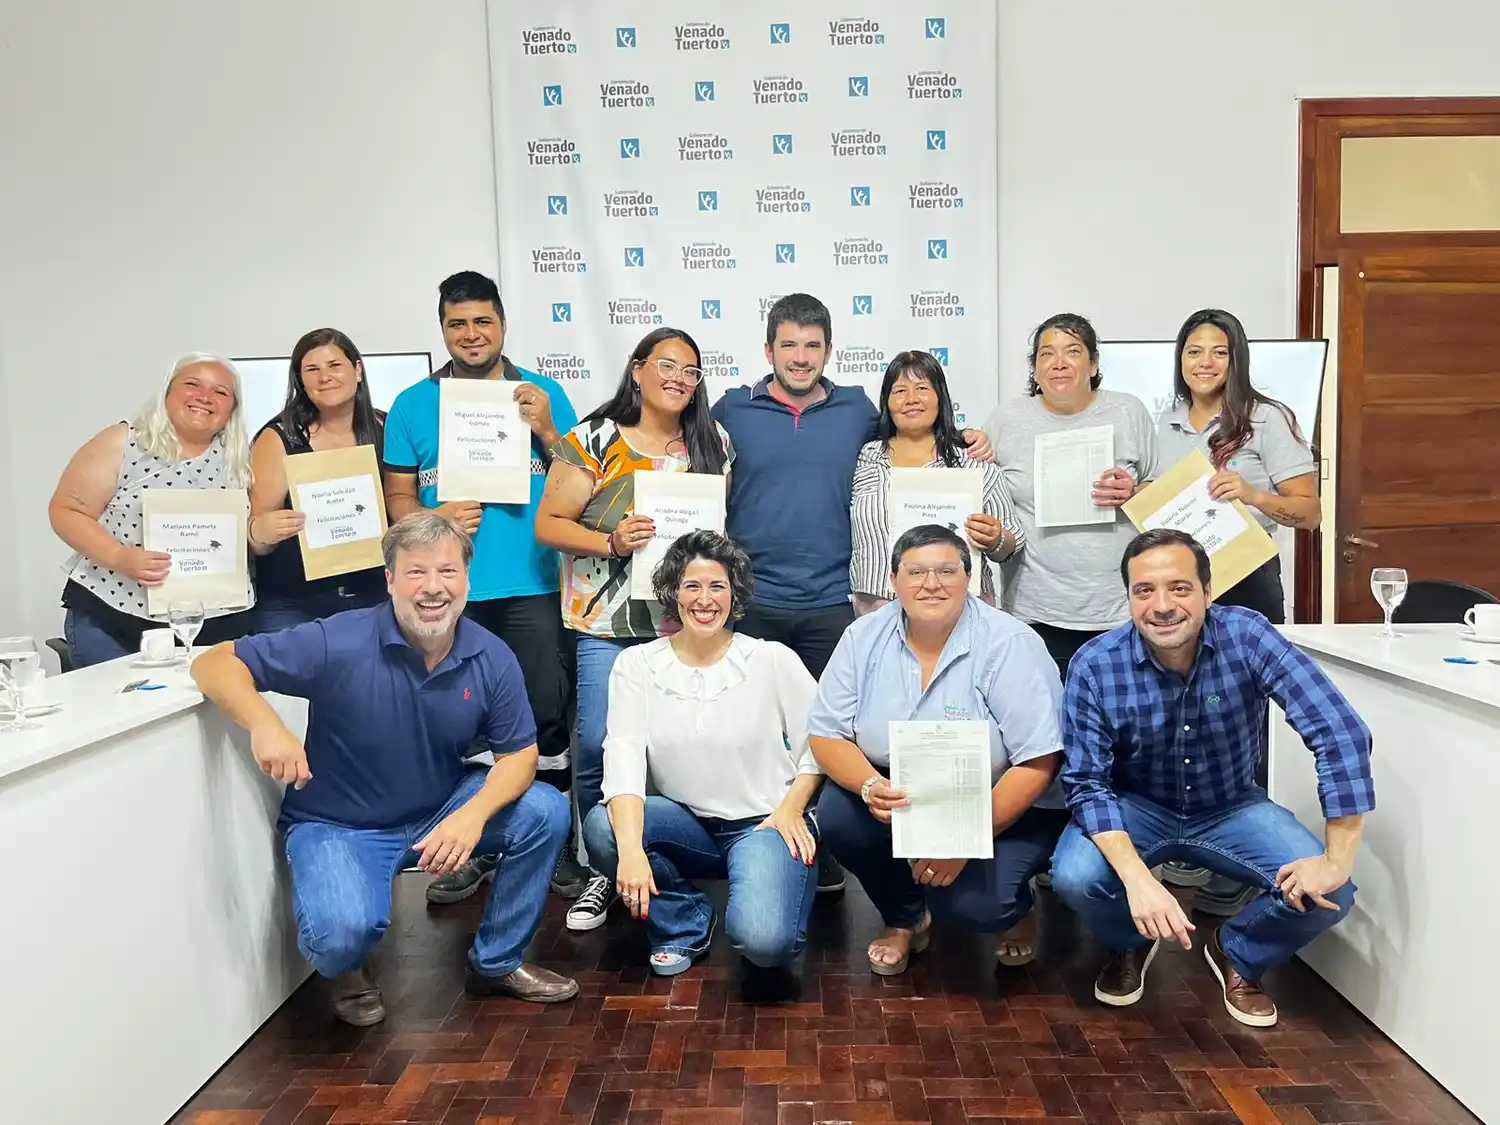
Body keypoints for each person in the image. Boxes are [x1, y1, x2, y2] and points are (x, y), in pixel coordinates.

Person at [191, 512, 578, 1025]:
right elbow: (213, 663)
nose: (433, 588)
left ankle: (497, 961)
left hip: (438, 809)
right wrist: (265, 724)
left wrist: (473, 814)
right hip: (338, 824)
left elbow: (520, 756)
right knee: (339, 937)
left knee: (545, 810)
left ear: (467, 579)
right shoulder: (339, 639)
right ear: (390, 580)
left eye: (447, 572)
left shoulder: (491, 655)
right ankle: (349, 967)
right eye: (416, 573)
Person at [712, 294, 994, 894]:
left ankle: (824, 844)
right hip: (750, 598)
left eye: (813, 345)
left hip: (832, 601)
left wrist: (967, 436)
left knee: (829, 736)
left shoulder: (857, 410)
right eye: (788, 344)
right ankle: (761, 846)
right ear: (768, 350)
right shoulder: (732, 408)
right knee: (756, 730)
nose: (800, 356)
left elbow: (914, 433)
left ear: (829, 351)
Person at [1050, 528, 1373, 1028]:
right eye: (1144, 591)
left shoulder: (1248, 635)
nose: (1162, 605)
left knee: (1334, 894)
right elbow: (1087, 781)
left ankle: (1236, 951)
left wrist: (1336, 859)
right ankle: (1130, 943)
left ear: (1208, 591)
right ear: (1129, 598)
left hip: (1231, 806)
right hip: (1136, 807)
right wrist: (1140, 883)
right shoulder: (1095, 663)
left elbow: (1340, 731)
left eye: (1179, 588)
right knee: (1075, 877)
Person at [382, 271, 583, 905]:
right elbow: (396, 498)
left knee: (546, 719)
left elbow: (585, 486)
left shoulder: (543, 392)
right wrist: (433, 524)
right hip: (446, 595)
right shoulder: (413, 404)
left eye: (483, 322)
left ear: (502, 323)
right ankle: (475, 849)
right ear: (442, 329)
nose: (471, 334)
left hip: (531, 585)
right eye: (457, 323)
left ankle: (551, 850)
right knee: (461, 726)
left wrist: (548, 431)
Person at [534, 328, 734, 932]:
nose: (678, 378)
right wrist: (611, 540)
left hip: (683, 623)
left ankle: (652, 859)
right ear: (638, 369)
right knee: (597, 742)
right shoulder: (591, 439)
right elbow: (548, 523)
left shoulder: (713, 443)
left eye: (691, 370)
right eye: (667, 364)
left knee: (670, 746)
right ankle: (599, 866)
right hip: (605, 620)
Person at [807, 525, 1069, 975]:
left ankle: (1019, 909)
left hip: (1002, 799)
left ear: (969, 577)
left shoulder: (1011, 643)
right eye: (916, 572)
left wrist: (965, 837)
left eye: (947, 571)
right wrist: (869, 785)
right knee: (837, 814)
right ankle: (906, 917)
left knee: (974, 909)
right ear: (893, 582)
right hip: (906, 792)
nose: (931, 583)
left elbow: (1040, 759)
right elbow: (826, 733)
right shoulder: (862, 637)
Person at [582, 531, 822, 987]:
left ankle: (766, 891)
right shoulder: (637, 665)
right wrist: (630, 852)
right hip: (687, 825)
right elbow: (625, 757)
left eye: (718, 586)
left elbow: (824, 742)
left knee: (766, 945)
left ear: (736, 593)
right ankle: (686, 922)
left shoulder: (770, 658)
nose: (705, 599)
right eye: (692, 585)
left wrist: (794, 807)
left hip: (766, 823)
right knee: (604, 826)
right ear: (673, 592)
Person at [1153, 308, 1323, 913]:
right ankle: (1185, 842)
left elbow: (1311, 512)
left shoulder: (1265, 419)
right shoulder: (1162, 423)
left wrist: (1250, 492)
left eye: (1218, 351)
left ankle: (1240, 858)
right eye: (1193, 350)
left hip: (1246, 583)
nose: (1204, 362)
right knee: (1180, 711)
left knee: (1246, 716)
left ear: (1236, 359)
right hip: (1179, 591)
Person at [48, 353, 257, 667]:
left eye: (220, 392)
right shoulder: (125, 442)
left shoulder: (242, 460)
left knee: (206, 715)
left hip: (213, 621)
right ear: (167, 393)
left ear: (232, 408)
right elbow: (66, 510)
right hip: (113, 615)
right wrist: (120, 557)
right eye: (192, 384)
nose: (204, 397)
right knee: (118, 710)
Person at [984, 313, 1157, 680]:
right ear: (1034, 369)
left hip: (1118, 609)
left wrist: (1135, 491)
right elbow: (981, 488)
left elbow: (1165, 494)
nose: (1059, 363)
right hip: (1034, 610)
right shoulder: (1006, 419)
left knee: (1122, 728)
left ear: (1093, 363)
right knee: (1046, 729)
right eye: (1046, 354)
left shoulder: (1128, 411)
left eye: (1073, 351)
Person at [850, 350, 1023, 615]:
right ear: (886, 402)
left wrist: (996, 539)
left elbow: (1012, 544)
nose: (911, 399)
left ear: (940, 398)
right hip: (878, 611)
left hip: (959, 611)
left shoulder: (974, 462)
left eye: (922, 388)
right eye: (899, 391)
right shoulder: (866, 456)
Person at [248, 329, 388, 631]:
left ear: (358, 370)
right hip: (295, 603)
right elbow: (256, 537)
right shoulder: (277, 438)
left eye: (335, 365)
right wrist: (262, 531)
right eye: (312, 369)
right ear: (301, 380)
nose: (325, 377)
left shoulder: (388, 428)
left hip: (378, 595)